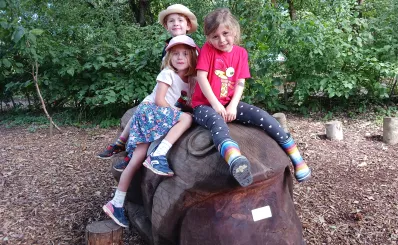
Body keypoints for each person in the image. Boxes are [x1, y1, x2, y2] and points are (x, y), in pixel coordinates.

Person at [192, 8, 311, 187]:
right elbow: (201, 77)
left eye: (225, 33)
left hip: (230, 102)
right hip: (204, 105)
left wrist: (233, 105)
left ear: (234, 31)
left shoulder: (240, 53)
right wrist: (215, 105)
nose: (221, 40)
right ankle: (234, 158)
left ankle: (295, 156)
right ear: (208, 38)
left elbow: (240, 82)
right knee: (217, 123)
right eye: (215, 36)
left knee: (262, 116)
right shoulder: (208, 50)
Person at [103, 35, 199, 227]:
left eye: (185, 54)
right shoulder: (168, 74)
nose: (180, 58)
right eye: (176, 54)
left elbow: (187, 102)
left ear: (193, 57)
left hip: (158, 118)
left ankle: (116, 202)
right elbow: (160, 100)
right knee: (186, 118)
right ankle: (158, 155)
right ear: (169, 57)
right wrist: (179, 113)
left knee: (137, 160)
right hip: (151, 113)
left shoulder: (191, 81)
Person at [96, 4, 198, 170]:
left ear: (188, 25)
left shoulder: (192, 48)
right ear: (166, 26)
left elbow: (193, 74)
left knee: (150, 111)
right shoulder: (168, 47)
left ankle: (128, 148)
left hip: (175, 94)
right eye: (171, 21)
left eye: (180, 20)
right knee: (144, 108)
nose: (176, 23)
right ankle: (123, 144)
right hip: (164, 91)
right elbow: (166, 71)